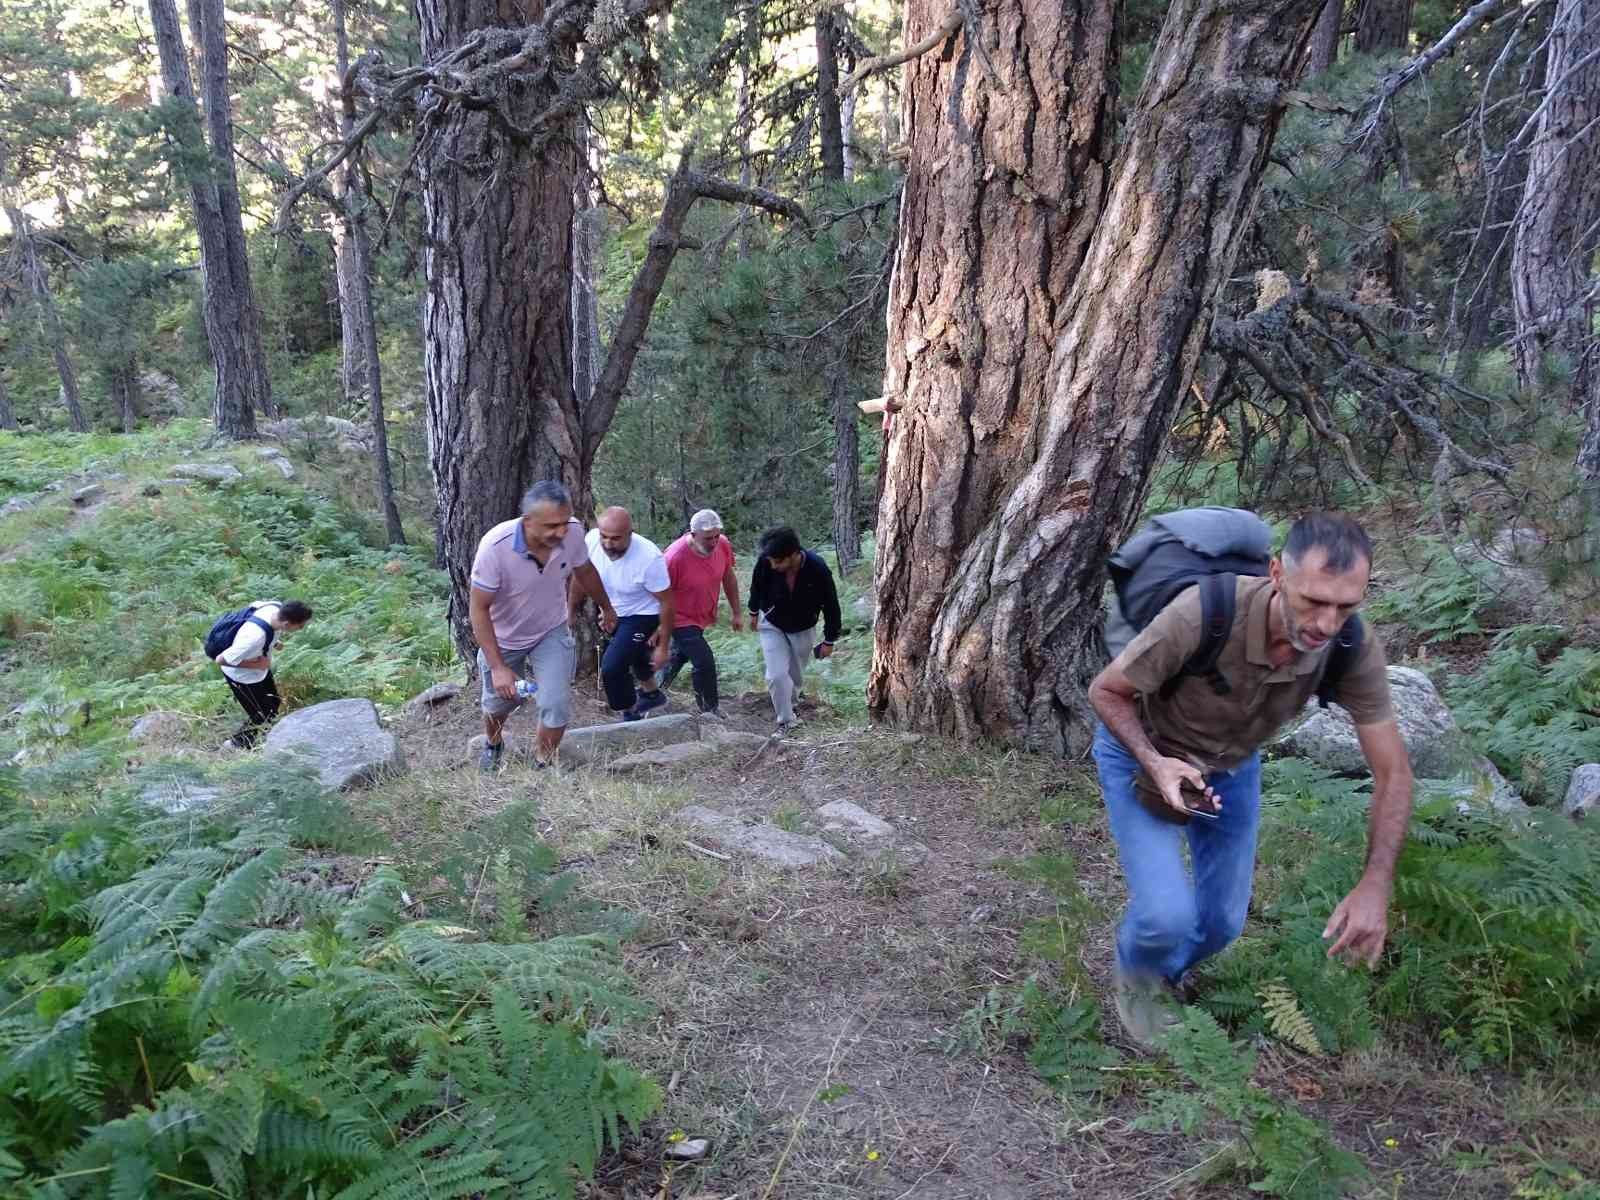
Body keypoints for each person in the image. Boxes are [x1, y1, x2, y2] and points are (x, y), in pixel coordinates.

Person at [1087, 512, 1413, 1050]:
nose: (1327, 624)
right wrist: (1155, 760)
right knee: (1165, 913)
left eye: (1345, 605)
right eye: (1313, 600)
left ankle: (1165, 972)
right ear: (1277, 574)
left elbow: (1394, 770)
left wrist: (1376, 884)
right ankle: (1138, 980)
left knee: (1220, 924)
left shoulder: (1350, 646)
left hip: (1232, 766)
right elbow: (1107, 691)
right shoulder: (1204, 613)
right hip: (1143, 753)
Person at [470, 481, 618, 773]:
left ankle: (542, 763)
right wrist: (498, 666)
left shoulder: (572, 531)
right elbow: (478, 608)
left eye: (564, 523)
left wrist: (607, 607)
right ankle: (493, 742)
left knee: (556, 703)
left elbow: (585, 570)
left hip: (550, 630)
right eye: (551, 526)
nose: (561, 532)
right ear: (528, 522)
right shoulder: (495, 548)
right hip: (504, 637)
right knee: (498, 705)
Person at [746, 526, 842, 730]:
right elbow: (756, 586)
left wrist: (829, 640)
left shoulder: (817, 568)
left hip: (803, 627)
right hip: (771, 622)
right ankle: (787, 722)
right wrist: (753, 612)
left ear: (793, 555)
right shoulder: (766, 561)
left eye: (778, 561)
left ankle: (792, 702)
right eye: (771, 560)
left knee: (794, 676)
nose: (772, 565)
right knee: (776, 675)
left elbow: (831, 605)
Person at [585, 506, 675, 721]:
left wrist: (663, 646)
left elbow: (667, 602)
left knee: (612, 666)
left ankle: (629, 713)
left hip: (644, 613)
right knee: (631, 654)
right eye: (604, 536)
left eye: (615, 539)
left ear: (630, 534)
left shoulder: (649, 557)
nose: (607, 544)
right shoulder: (590, 542)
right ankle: (652, 695)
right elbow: (583, 578)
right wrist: (572, 610)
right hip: (612, 609)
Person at [661, 509, 743, 718]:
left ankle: (651, 691)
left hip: (701, 615)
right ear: (693, 534)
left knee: (679, 655)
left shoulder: (722, 544)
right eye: (708, 538)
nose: (714, 542)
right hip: (678, 617)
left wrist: (736, 612)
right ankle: (709, 710)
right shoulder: (674, 557)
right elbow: (658, 593)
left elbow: (729, 577)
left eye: (716, 536)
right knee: (703, 660)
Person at [212, 599, 313, 748]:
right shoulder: (254, 638)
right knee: (260, 714)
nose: (301, 628)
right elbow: (220, 660)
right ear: (286, 624)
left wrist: (273, 642)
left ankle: (258, 736)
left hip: (259, 670)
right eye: (300, 626)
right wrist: (256, 664)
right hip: (242, 677)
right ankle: (235, 745)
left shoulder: (274, 607)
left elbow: (254, 605)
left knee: (274, 703)